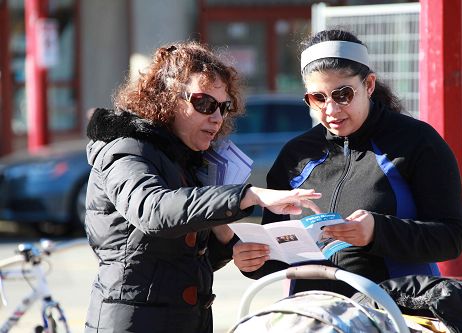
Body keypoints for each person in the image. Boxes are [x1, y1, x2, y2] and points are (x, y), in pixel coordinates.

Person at [83, 41, 321, 333]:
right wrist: (249, 195)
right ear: (167, 98)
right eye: (204, 103)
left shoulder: (185, 156)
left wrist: (229, 246)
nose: (217, 117)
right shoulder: (128, 148)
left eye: (223, 107)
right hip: (132, 322)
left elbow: (182, 257)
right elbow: (153, 210)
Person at [233, 29, 462, 298]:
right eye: (318, 98)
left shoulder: (416, 141)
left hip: (396, 313)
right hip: (316, 315)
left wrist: (377, 231)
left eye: (342, 94)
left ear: (369, 85)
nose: (331, 110)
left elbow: (451, 238)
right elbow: (278, 252)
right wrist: (252, 260)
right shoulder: (296, 154)